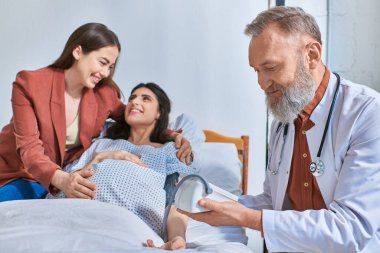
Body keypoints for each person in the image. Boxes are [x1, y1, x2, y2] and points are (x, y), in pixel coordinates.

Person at [179, 6, 380, 252]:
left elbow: (351, 228)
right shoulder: (282, 123)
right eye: (256, 71)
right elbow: (272, 201)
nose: (262, 83)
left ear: (312, 55)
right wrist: (214, 206)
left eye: (271, 68)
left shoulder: (367, 113)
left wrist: (247, 217)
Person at [0, 23, 191, 202]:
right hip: (15, 171)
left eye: (111, 67)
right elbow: (29, 150)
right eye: (102, 62)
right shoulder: (30, 84)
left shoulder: (104, 94)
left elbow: (131, 118)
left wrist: (172, 136)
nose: (106, 73)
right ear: (77, 51)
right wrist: (63, 180)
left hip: (55, 181)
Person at [48, 82, 193, 250]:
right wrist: (100, 157)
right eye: (132, 98)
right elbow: (67, 185)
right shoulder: (101, 144)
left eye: (145, 99)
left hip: (128, 225)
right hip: (75, 213)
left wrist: (177, 237)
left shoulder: (168, 151)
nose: (134, 102)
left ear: (159, 113)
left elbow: (173, 203)